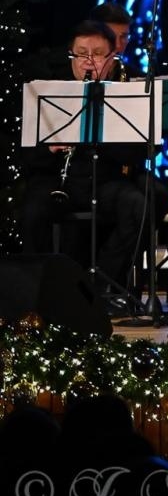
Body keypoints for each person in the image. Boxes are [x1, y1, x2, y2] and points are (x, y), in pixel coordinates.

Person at [18, 21, 151, 307]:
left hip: (103, 180)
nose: (88, 62)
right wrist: (50, 146)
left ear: (112, 57)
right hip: (58, 179)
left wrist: (107, 132)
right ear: (71, 56)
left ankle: (99, 286)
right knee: (33, 211)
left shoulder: (124, 94)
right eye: (81, 54)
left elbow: (139, 156)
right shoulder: (49, 91)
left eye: (98, 54)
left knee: (136, 204)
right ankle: (38, 295)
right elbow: (28, 158)